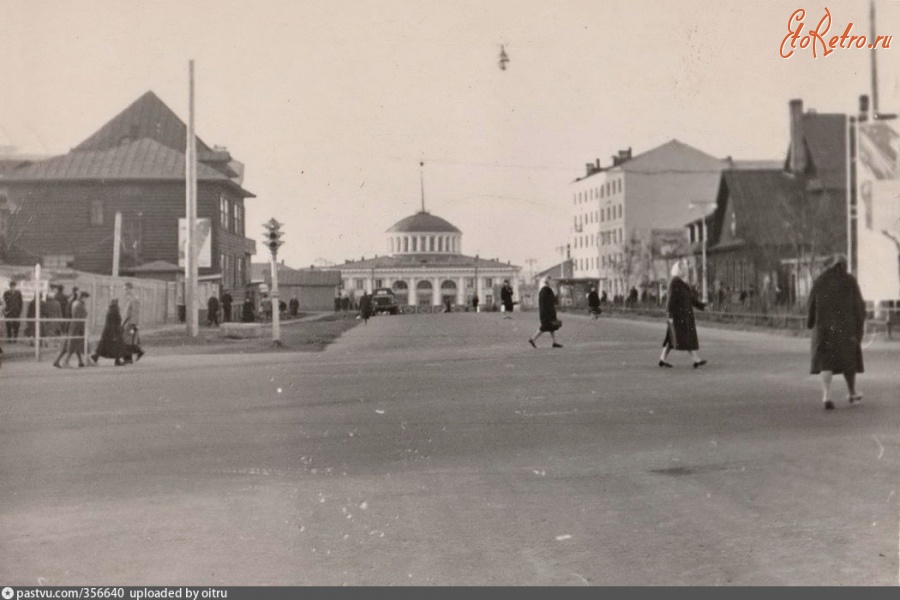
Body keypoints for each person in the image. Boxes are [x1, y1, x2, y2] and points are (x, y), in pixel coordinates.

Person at [807, 254, 866, 410]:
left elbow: (811, 303)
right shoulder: (850, 281)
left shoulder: (819, 281)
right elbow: (859, 305)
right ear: (842, 265)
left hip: (824, 329)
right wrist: (860, 325)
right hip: (846, 328)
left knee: (825, 362)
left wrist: (810, 322)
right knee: (849, 361)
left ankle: (827, 395)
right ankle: (852, 393)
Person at [659, 260, 707, 368]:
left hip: (682, 316)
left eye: (686, 269)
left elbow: (691, 298)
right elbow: (670, 300)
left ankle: (662, 359)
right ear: (679, 270)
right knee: (684, 337)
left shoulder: (682, 282)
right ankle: (696, 359)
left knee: (672, 338)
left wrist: (702, 306)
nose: (686, 271)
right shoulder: (675, 282)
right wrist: (670, 315)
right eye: (684, 269)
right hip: (677, 316)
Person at [53, 291, 89, 368]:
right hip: (77, 327)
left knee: (73, 344)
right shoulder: (80, 305)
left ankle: (80, 361)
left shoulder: (75, 303)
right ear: (83, 297)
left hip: (72, 325)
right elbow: (81, 318)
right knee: (73, 344)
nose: (86, 300)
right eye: (86, 298)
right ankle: (66, 362)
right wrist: (83, 330)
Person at [528, 276, 563, 348]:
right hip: (548, 312)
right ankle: (533, 339)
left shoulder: (542, 290)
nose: (552, 282)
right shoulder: (547, 290)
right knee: (544, 327)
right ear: (548, 282)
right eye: (550, 280)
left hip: (544, 311)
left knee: (552, 327)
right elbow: (553, 301)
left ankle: (554, 342)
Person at [91, 299, 126, 366]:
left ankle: (96, 356)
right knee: (118, 345)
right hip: (114, 331)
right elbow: (117, 322)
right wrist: (116, 332)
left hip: (107, 331)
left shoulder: (110, 310)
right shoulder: (115, 311)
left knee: (104, 344)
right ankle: (117, 360)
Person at [121, 282, 144, 363]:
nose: (125, 291)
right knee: (128, 339)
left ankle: (128, 358)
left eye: (126, 289)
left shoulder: (134, 299)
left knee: (127, 339)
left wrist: (133, 325)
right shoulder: (129, 298)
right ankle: (137, 352)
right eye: (124, 289)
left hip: (131, 323)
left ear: (131, 289)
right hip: (127, 323)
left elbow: (135, 312)